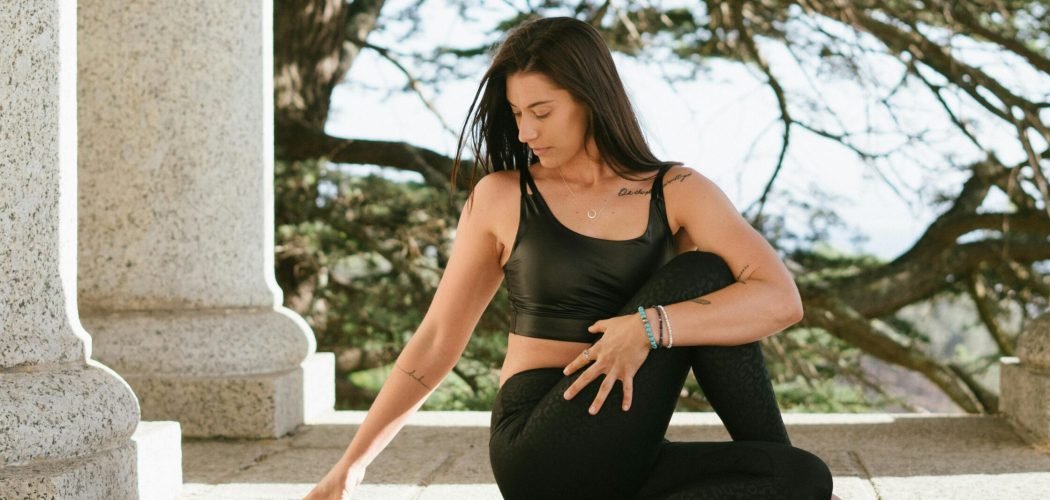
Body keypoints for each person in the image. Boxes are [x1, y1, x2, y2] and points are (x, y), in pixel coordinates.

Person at [305, 16, 835, 500]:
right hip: (541, 443)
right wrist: (351, 467)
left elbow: (780, 299)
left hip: (625, 447)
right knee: (701, 274)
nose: (526, 132)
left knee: (799, 477)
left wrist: (648, 328)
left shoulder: (676, 189)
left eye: (541, 111)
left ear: (590, 98)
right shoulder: (502, 195)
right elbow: (438, 339)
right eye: (517, 113)